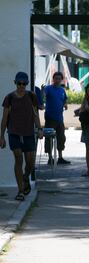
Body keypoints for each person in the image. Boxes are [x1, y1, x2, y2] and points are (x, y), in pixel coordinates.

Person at [0, 72, 43, 201]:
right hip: (14, 132)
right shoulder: (9, 98)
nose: (21, 86)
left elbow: (36, 114)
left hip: (29, 133)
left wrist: (39, 129)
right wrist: (1, 136)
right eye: (19, 83)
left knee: (30, 162)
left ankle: (26, 178)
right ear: (15, 83)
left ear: (27, 84)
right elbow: (5, 117)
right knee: (18, 158)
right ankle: (20, 191)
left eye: (24, 83)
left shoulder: (32, 96)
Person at [44, 71, 70, 165]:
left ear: (61, 80)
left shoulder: (62, 90)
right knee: (49, 138)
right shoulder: (48, 88)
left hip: (59, 118)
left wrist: (65, 104)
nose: (57, 80)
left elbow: (64, 99)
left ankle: (60, 157)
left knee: (61, 137)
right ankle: (50, 157)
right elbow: (44, 95)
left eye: (59, 78)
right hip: (50, 117)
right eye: (56, 78)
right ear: (53, 79)